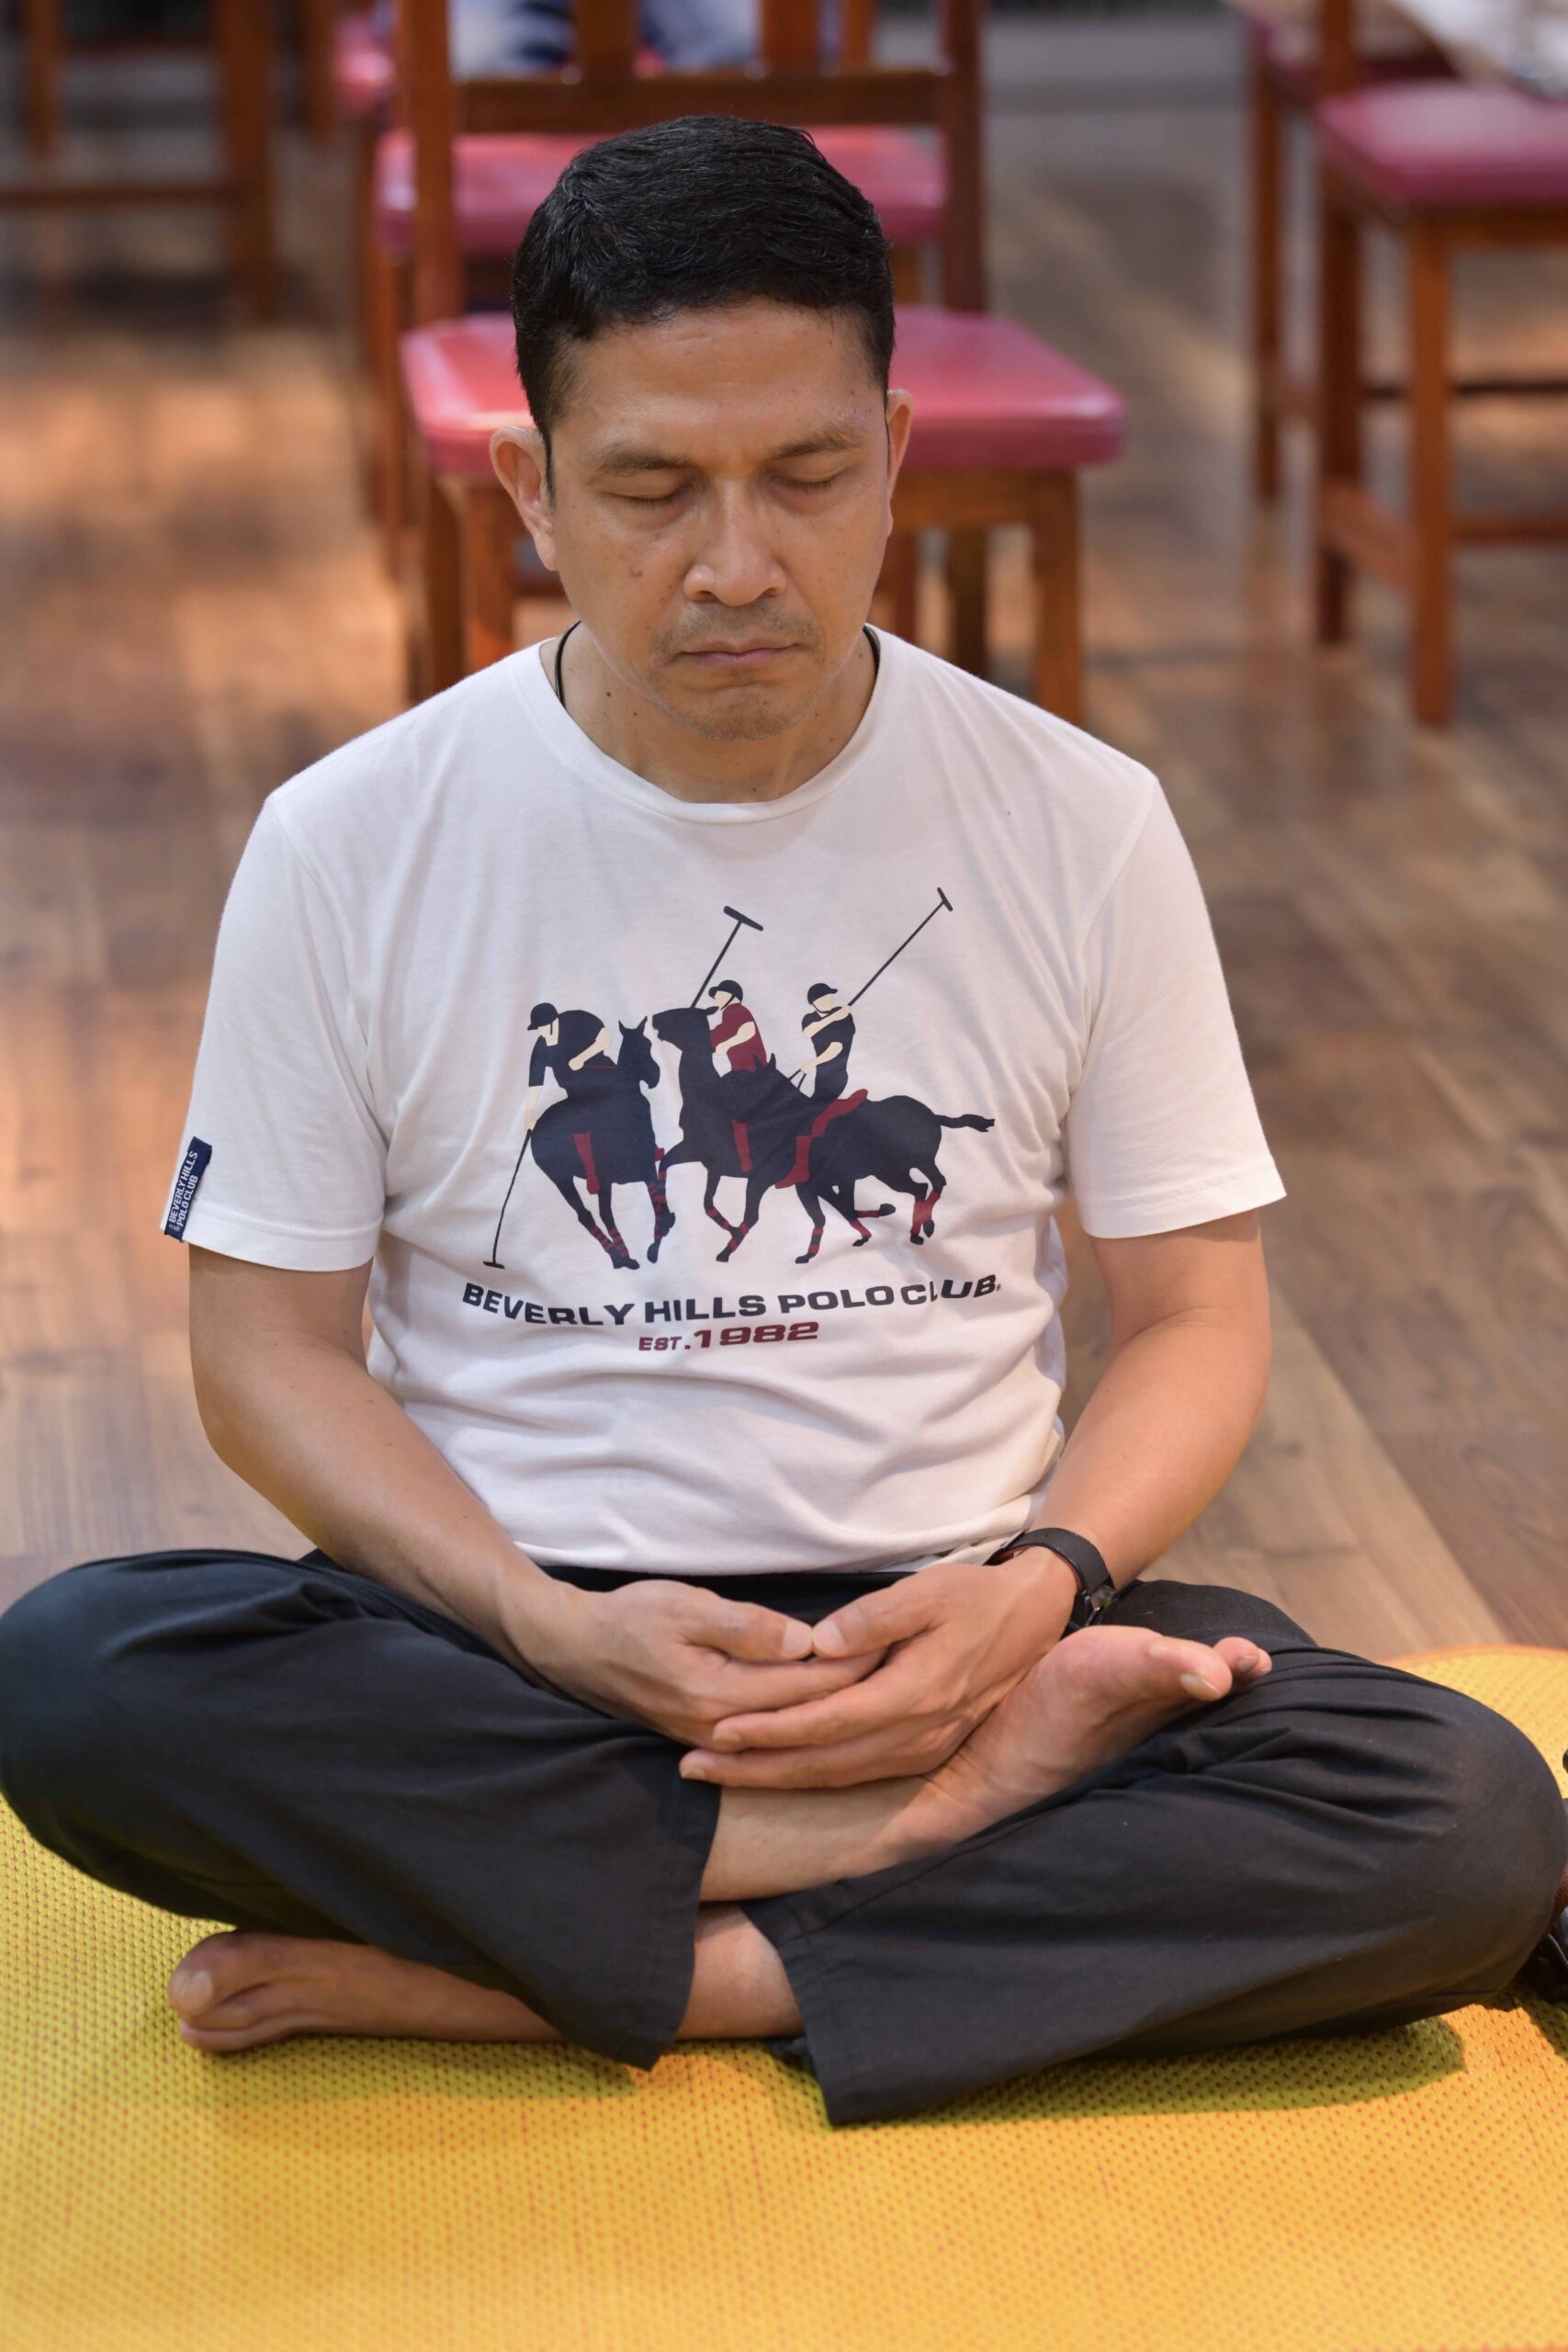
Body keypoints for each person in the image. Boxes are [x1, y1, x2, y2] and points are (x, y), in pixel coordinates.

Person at [0, 119, 1562, 2131]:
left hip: (960, 1619)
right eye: (652, 489)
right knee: (76, 1676)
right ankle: (920, 1852)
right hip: (512, 1638)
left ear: (897, 456)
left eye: (807, 480)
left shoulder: (1081, 821)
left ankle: (643, 1964)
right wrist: (540, 1616)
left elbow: (1192, 1313)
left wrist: (1042, 1586)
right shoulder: (349, 842)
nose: (735, 564)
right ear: (529, 485)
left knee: (1463, 1815)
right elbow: (262, 1356)